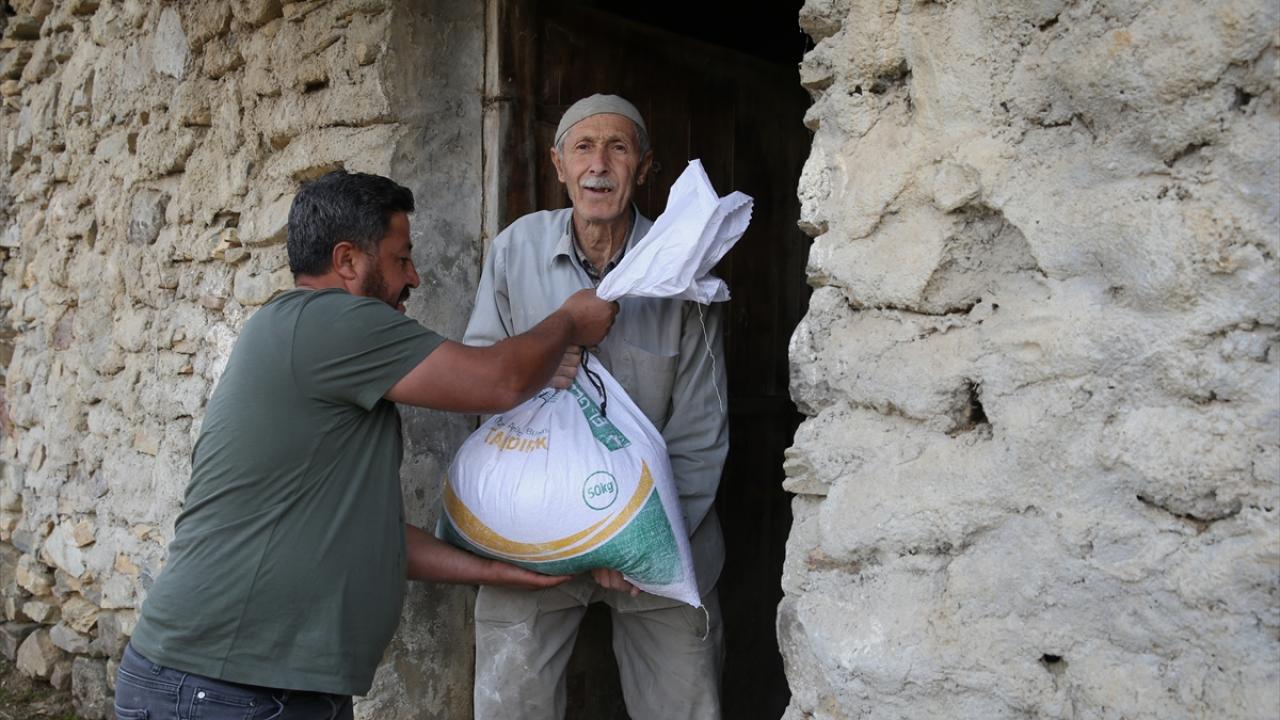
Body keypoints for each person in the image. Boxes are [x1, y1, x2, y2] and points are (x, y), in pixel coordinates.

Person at [114, 170, 618, 720]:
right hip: (223, 688)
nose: (414, 277)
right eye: (402, 259)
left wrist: (498, 571)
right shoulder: (331, 321)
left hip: (255, 686)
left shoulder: (307, 337)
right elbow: (498, 382)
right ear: (348, 261)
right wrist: (569, 320)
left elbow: (368, 535)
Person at [464, 94, 729, 720]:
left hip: (662, 532)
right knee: (510, 698)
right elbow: (477, 382)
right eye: (583, 148)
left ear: (645, 167)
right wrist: (533, 365)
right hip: (532, 526)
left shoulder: (682, 262)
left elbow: (702, 424)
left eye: (618, 148)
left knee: (684, 700)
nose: (599, 165)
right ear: (559, 165)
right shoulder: (517, 250)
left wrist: (634, 540)